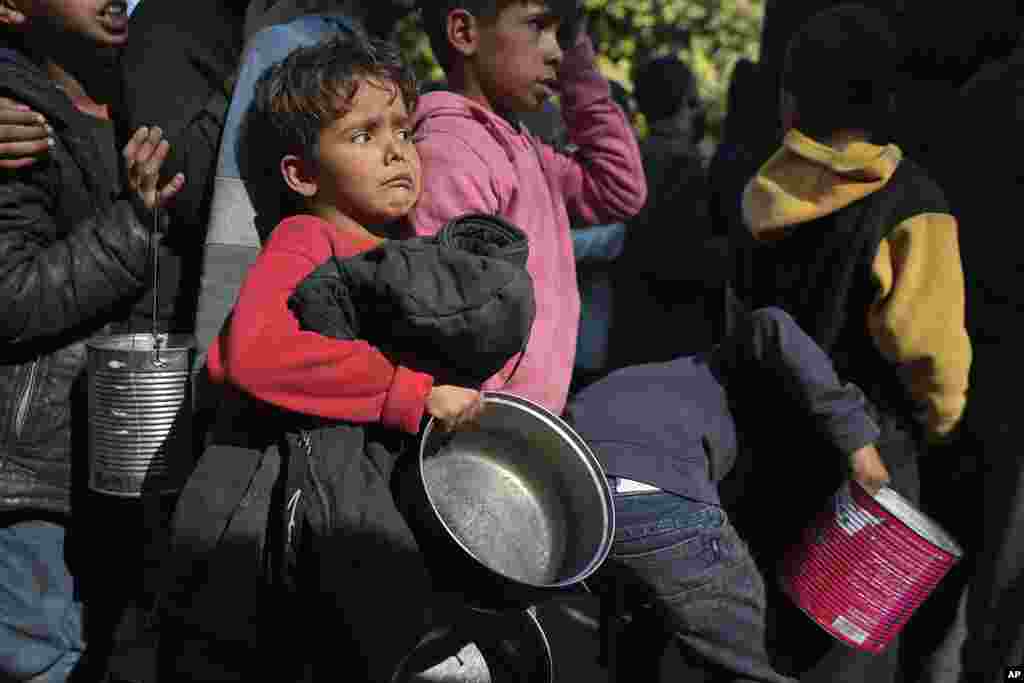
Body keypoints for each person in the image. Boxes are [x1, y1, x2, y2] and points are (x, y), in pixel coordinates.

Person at [176, 35, 537, 682]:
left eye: (402, 127)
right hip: (300, 526)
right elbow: (250, 355)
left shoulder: (408, 247)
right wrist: (409, 392)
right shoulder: (306, 238)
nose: (397, 148)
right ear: (303, 175)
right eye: (363, 135)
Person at [734, 5, 972, 681]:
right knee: (849, 644)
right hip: (871, 467)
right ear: (890, 101)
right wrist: (941, 428)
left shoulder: (759, 192)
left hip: (766, 446)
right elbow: (929, 351)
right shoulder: (912, 203)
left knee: (765, 633)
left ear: (789, 102)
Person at [0, 1, 184, 681]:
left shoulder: (133, 97)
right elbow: (11, 297)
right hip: (38, 481)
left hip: (116, 469)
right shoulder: (18, 118)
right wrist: (133, 228)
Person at [568, 306, 889, 683]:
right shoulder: (731, 367)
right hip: (653, 488)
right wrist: (859, 445)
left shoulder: (668, 379)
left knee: (633, 624)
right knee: (752, 661)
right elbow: (773, 322)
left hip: (574, 491)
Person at [410, 0, 647, 415]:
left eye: (563, 35)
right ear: (465, 33)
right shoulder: (453, 151)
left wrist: (578, 68)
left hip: (517, 421)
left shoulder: (523, 147)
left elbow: (618, 188)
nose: (557, 52)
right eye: (538, 26)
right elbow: (449, 324)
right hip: (476, 431)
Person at [606, 54, 726, 371]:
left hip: (628, 323)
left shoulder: (631, 157)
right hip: (676, 334)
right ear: (688, 101)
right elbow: (692, 258)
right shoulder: (687, 167)